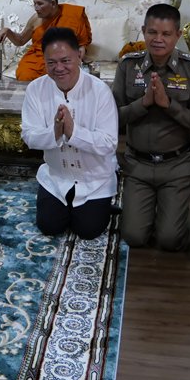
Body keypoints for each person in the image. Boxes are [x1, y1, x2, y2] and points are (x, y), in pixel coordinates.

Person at [112, 3, 190, 251]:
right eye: (152, 32)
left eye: (166, 34)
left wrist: (169, 105)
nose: (158, 39)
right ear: (144, 31)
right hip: (138, 164)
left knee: (169, 240)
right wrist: (143, 104)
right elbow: (113, 119)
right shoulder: (128, 65)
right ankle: (158, 213)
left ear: (178, 35)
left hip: (177, 165)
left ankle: (178, 217)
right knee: (134, 237)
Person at [21, 27, 119, 240]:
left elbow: (109, 143)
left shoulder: (100, 91)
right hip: (57, 177)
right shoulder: (35, 90)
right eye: (51, 62)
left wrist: (74, 132)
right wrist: (55, 133)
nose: (59, 68)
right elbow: (29, 136)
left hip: (94, 179)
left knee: (88, 230)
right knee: (49, 226)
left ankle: (102, 203)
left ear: (79, 56)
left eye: (65, 60)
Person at [0, 0, 92, 81]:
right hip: (38, 58)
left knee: (61, 74)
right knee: (25, 74)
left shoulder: (73, 15)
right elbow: (21, 40)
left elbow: (81, 45)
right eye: (34, 4)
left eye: (40, 4)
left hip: (63, 58)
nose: (36, 8)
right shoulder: (36, 19)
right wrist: (8, 31)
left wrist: (76, 60)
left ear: (53, 3)